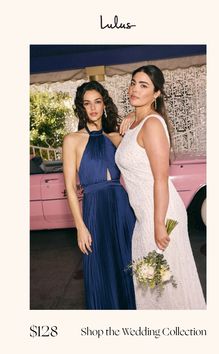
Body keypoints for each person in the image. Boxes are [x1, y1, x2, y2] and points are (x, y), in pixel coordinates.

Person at [115, 65, 206, 309]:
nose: (135, 88)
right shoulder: (136, 122)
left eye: (143, 85)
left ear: (156, 94)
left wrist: (157, 225)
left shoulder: (152, 124)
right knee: (153, 287)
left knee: (165, 285)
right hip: (145, 215)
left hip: (163, 215)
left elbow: (160, 179)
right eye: (134, 82)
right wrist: (131, 116)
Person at [62, 81, 136, 310]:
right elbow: (70, 189)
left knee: (129, 268)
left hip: (122, 209)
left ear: (104, 105)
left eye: (97, 102)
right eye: (87, 104)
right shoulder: (72, 140)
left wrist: (133, 115)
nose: (93, 108)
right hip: (94, 211)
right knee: (100, 271)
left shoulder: (115, 138)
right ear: (81, 108)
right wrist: (80, 227)